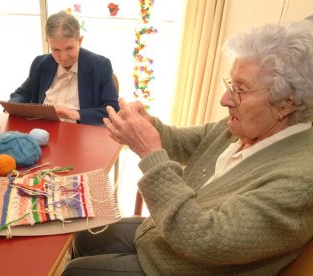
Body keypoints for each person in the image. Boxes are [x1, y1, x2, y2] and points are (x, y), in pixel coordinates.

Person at [62, 20, 313, 275]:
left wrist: (150, 154)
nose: (224, 99)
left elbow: (206, 239)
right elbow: (180, 141)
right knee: (84, 236)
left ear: (286, 103)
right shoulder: (246, 127)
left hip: (188, 265)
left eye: (241, 90)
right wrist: (147, 125)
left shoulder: (300, 181)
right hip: (165, 240)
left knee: (74, 271)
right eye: (230, 85)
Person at [8, 11, 119, 126]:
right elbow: (21, 94)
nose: (63, 57)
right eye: (56, 50)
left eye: (69, 48)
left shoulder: (100, 66)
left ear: (79, 41)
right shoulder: (40, 64)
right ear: (48, 43)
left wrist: (75, 114)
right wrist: (14, 106)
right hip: (41, 130)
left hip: (82, 134)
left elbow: (113, 109)